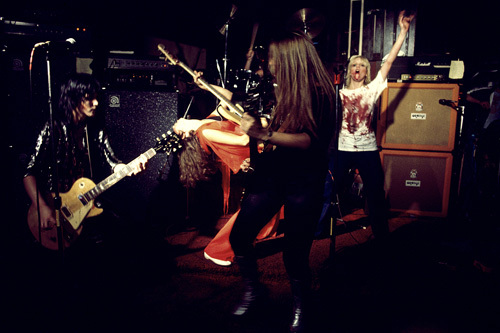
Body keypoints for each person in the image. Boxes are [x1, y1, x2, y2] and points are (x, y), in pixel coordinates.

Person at [227, 30, 336, 332]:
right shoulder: (282, 90)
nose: (270, 62)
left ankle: (302, 304)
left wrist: (264, 135)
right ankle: (254, 290)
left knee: (294, 252)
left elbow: (308, 141)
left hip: (305, 181)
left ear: (290, 59)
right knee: (239, 235)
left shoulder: (322, 92)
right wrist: (262, 151)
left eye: (274, 57)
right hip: (273, 175)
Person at [23, 73, 148, 250]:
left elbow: (111, 160)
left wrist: (126, 168)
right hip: (54, 204)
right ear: (73, 98)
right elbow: (29, 172)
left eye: (96, 98)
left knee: (124, 226)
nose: (96, 103)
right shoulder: (53, 127)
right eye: (89, 98)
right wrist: (42, 208)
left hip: (85, 201)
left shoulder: (94, 128)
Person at [173, 71, 281, 266]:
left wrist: (205, 85)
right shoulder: (203, 132)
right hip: (255, 156)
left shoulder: (207, 121)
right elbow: (243, 139)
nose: (175, 121)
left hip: (263, 150)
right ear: (183, 133)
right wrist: (264, 127)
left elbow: (227, 98)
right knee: (256, 205)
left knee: (269, 200)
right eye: (176, 127)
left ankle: (256, 234)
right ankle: (217, 251)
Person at [332, 10, 414, 243]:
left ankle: (381, 236)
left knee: (376, 193)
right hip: (343, 148)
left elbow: (389, 61)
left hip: (368, 149)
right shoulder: (338, 92)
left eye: (362, 66)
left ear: (367, 71)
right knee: (328, 189)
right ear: (349, 70)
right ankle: (319, 229)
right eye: (354, 65)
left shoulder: (373, 88)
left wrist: (403, 32)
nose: (358, 69)